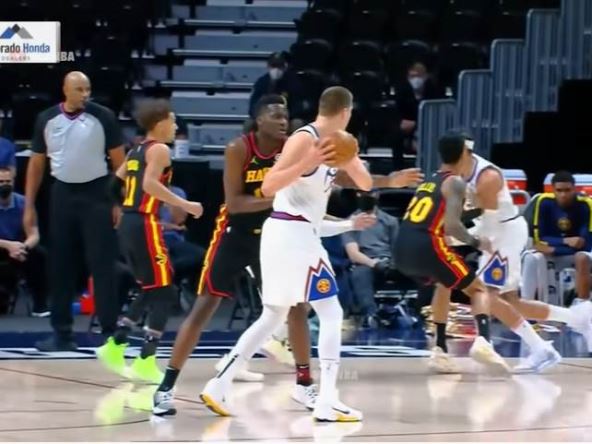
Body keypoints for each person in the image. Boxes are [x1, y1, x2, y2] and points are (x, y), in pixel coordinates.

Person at [198, 86, 385, 423]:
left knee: (272, 316)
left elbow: (366, 184)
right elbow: (269, 185)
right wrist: (308, 162)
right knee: (331, 312)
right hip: (293, 234)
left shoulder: (338, 141)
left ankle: (219, 384)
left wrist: (349, 155)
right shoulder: (303, 139)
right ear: (346, 111)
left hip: (292, 234)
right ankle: (327, 400)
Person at [152, 95, 317, 416]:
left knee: (297, 307)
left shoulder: (292, 148)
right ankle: (166, 387)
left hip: (273, 236)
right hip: (234, 234)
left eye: (286, 116)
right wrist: (278, 197)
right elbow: (236, 203)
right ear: (259, 120)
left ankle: (304, 384)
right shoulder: (239, 149)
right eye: (275, 115)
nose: (283, 121)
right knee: (204, 306)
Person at [428, 133, 592, 374]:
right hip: (493, 233)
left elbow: (490, 225)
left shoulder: (487, 177)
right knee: (509, 303)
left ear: (465, 152)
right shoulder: (454, 173)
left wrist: (455, 238)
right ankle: (578, 318)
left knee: (484, 294)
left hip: (504, 233)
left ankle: (541, 348)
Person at [95, 98, 203, 383]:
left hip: (130, 224)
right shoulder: (159, 150)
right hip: (145, 223)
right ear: (160, 122)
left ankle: (116, 345)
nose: (176, 126)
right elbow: (150, 184)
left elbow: (113, 185)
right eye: (173, 120)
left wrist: (123, 208)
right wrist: (185, 204)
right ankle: (145, 359)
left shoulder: (136, 150)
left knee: (152, 287)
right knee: (165, 291)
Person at [394, 133, 512, 375]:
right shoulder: (455, 182)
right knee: (479, 289)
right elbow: (453, 226)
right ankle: (484, 343)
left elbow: (444, 215)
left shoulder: (430, 181)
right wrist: (477, 242)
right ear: (464, 153)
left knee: (444, 284)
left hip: (401, 249)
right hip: (427, 245)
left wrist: (474, 210)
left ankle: (439, 350)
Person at [25, 71, 126, 351]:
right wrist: (29, 205)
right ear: (65, 90)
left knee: (103, 265)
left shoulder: (103, 116)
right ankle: (62, 335)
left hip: (98, 194)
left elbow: (121, 163)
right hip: (62, 195)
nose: (85, 94)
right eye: (79, 89)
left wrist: (119, 202)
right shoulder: (46, 119)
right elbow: (36, 164)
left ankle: (109, 334)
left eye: (88, 89)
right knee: (61, 265)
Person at [522, 171, 592, 305]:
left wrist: (554, 248)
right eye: (559, 191)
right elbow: (539, 239)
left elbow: (584, 244)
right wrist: (565, 241)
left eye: (567, 190)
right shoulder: (543, 202)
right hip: (553, 252)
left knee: (582, 258)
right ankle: (526, 304)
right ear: (553, 190)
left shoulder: (585, 205)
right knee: (530, 257)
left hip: (573, 255)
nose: (563, 195)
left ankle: (582, 305)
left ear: (574, 189)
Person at [343, 190, 399, 326]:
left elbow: (397, 249)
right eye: (361, 193)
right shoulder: (349, 223)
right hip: (365, 262)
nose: (365, 197)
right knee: (360, 274)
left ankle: (423, 314)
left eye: (369, 193)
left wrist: (393, 264)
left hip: (389, 262)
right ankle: (371, 316)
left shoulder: (390, 221)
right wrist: (374, 264)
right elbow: (353, 254)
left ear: (377, 195)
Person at [0, 167, 48, 316]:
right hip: (2, 246)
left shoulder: (24, 203)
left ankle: (40, 306)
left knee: (39, 254)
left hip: (18, 249)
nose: (5, 185)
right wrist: (8, 246)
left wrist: (23, 247)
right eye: (1, 182)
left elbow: (34, 234)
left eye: (8, 181)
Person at [159, 184, 206, 292]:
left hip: (174, 239)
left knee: (203, 256)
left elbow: (179, 220)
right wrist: (169, 226)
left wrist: (169, 198)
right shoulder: (141, 195)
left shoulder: (177, 192)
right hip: (152, 239)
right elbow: (143, 223)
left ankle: (187, 288)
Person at [247, 52, 304, 133]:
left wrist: (285, 115)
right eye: (273, 66)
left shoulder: (293, 82)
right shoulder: (262, 82)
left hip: (286, 117)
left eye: (279, 66)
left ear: (285, 67)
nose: (276, 70)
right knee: (249, 123)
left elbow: (298, 106)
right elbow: (253, 105)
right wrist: (262, 115)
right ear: (268, 66)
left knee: (297, 123)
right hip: (266, 116)